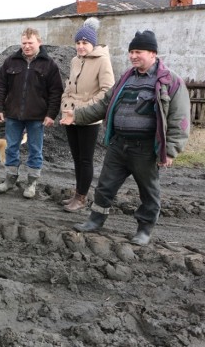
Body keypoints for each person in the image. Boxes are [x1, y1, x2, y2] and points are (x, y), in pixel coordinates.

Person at [60, 30, 191, 246]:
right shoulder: (126, 78)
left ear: (152, 53)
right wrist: (77, 116)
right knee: (104, 186)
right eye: (131, 52)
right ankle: (95, 220)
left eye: (137, 52)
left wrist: (170, 150)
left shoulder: (170, 82)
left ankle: (144, 230)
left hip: (146, 149)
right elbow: (104, 105)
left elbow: (180, 119)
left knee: (149, 192)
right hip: (118, 144)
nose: (132, 56)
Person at [0, 27, 63, 198]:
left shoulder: (49, 65)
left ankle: (31, 183)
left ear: (39, 42)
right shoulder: (11, 62)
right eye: (24, 43)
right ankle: (10, 180)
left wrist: (51, 114)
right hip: (13, 114)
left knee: (35, 149)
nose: (26, 46)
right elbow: (0, 86)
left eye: (30, 43)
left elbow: (56, 92)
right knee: (11, 148)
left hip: (37, 116)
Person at [60, 18, 115, 212]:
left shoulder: (103, 60)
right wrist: (65, 104)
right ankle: (77, 194)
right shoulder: (75, 60)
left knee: (85, 159)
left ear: (93, 43)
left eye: (85, 43)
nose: (81, 46)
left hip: (89, 118)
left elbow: (107, 91)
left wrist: (83, 109)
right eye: (78, 42)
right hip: (70, 116)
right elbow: (69, 86)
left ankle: (81, 198)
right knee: (76, 158)